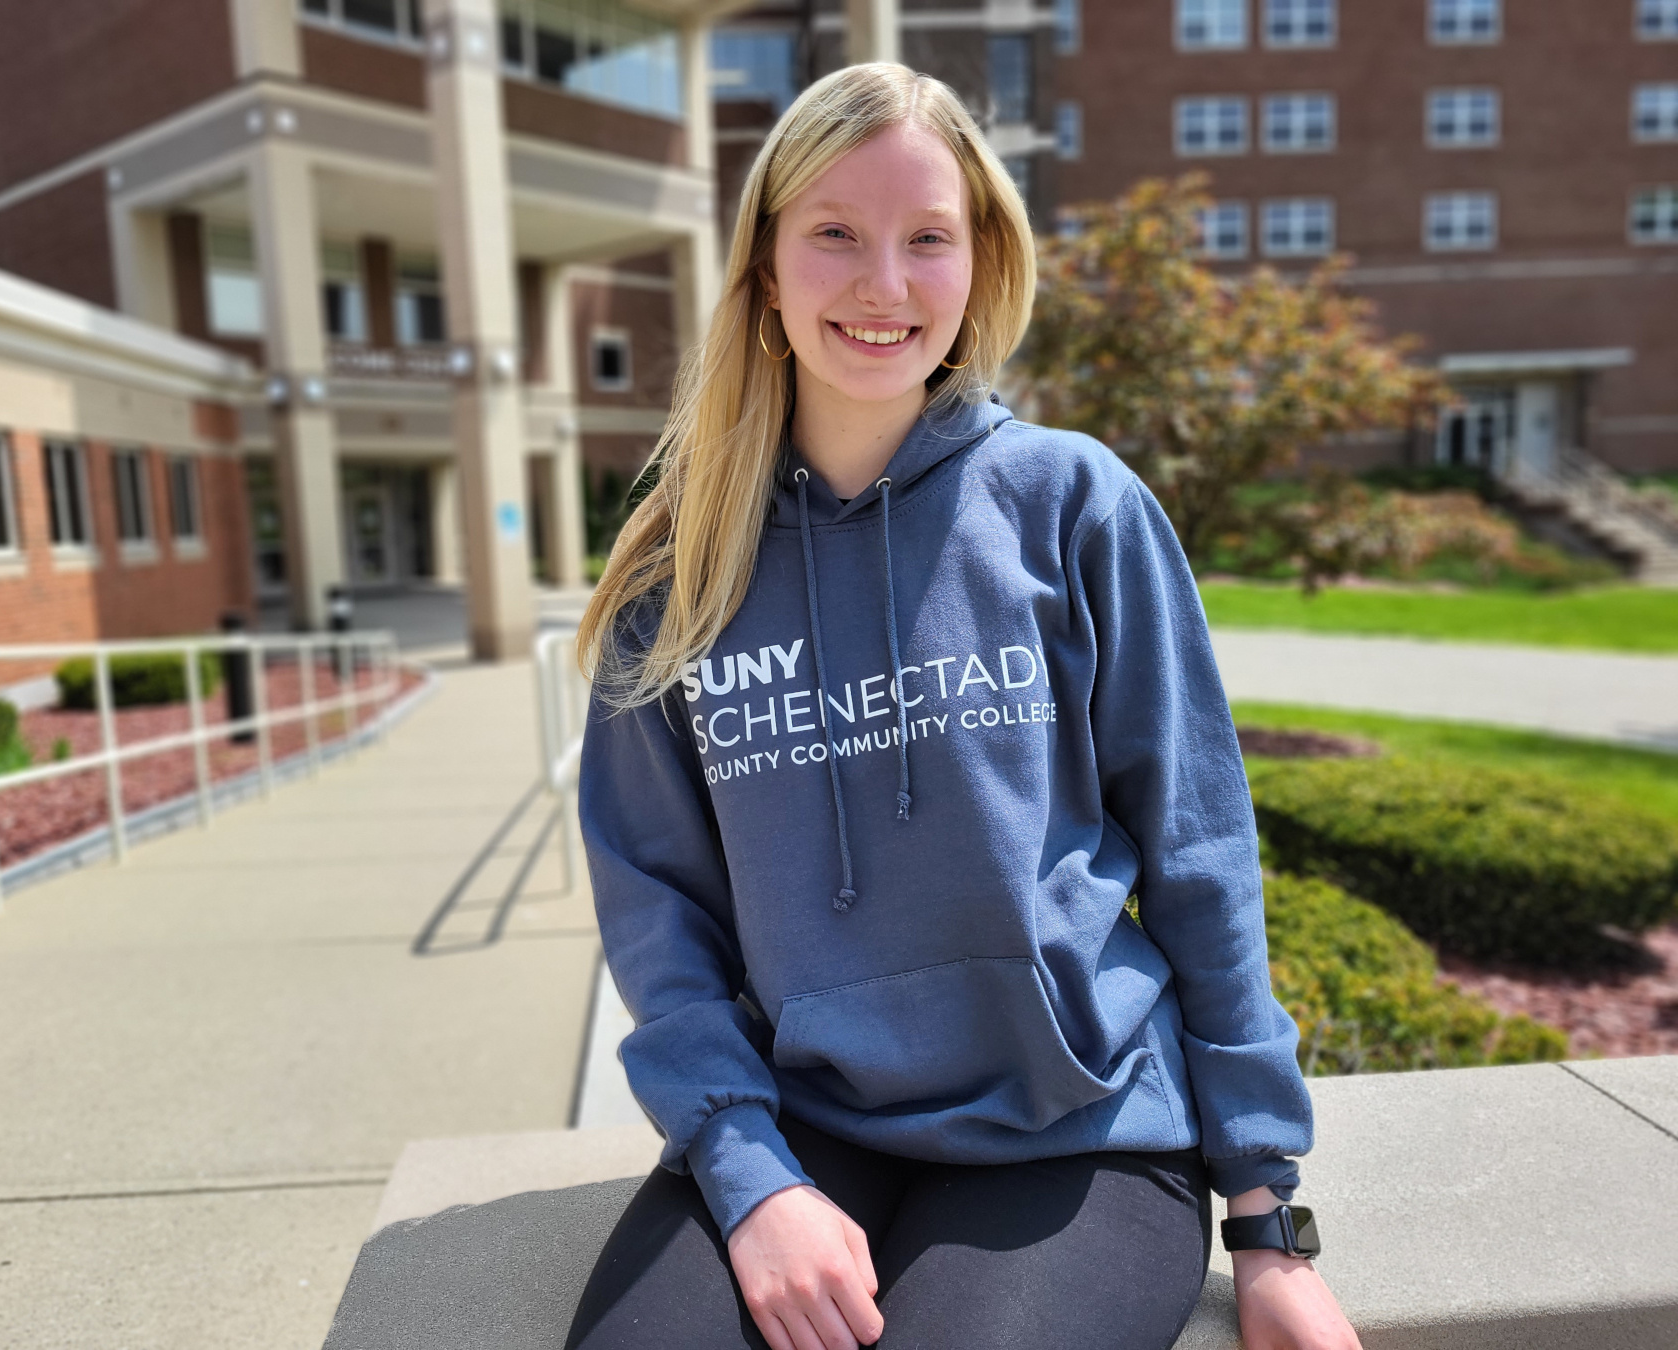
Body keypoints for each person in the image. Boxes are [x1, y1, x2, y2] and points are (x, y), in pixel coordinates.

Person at [570, 62, 1360, 1350]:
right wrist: (747, 1171)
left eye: (927, 238)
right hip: (805, 1117)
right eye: (834, 233)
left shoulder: (1073, 503)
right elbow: (660, 921)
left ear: (981, 265)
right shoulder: (679, 571)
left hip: (1082, 1122)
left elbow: (1201, 857)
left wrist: (1271, 1229)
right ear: (764, 271)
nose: (884, 283)